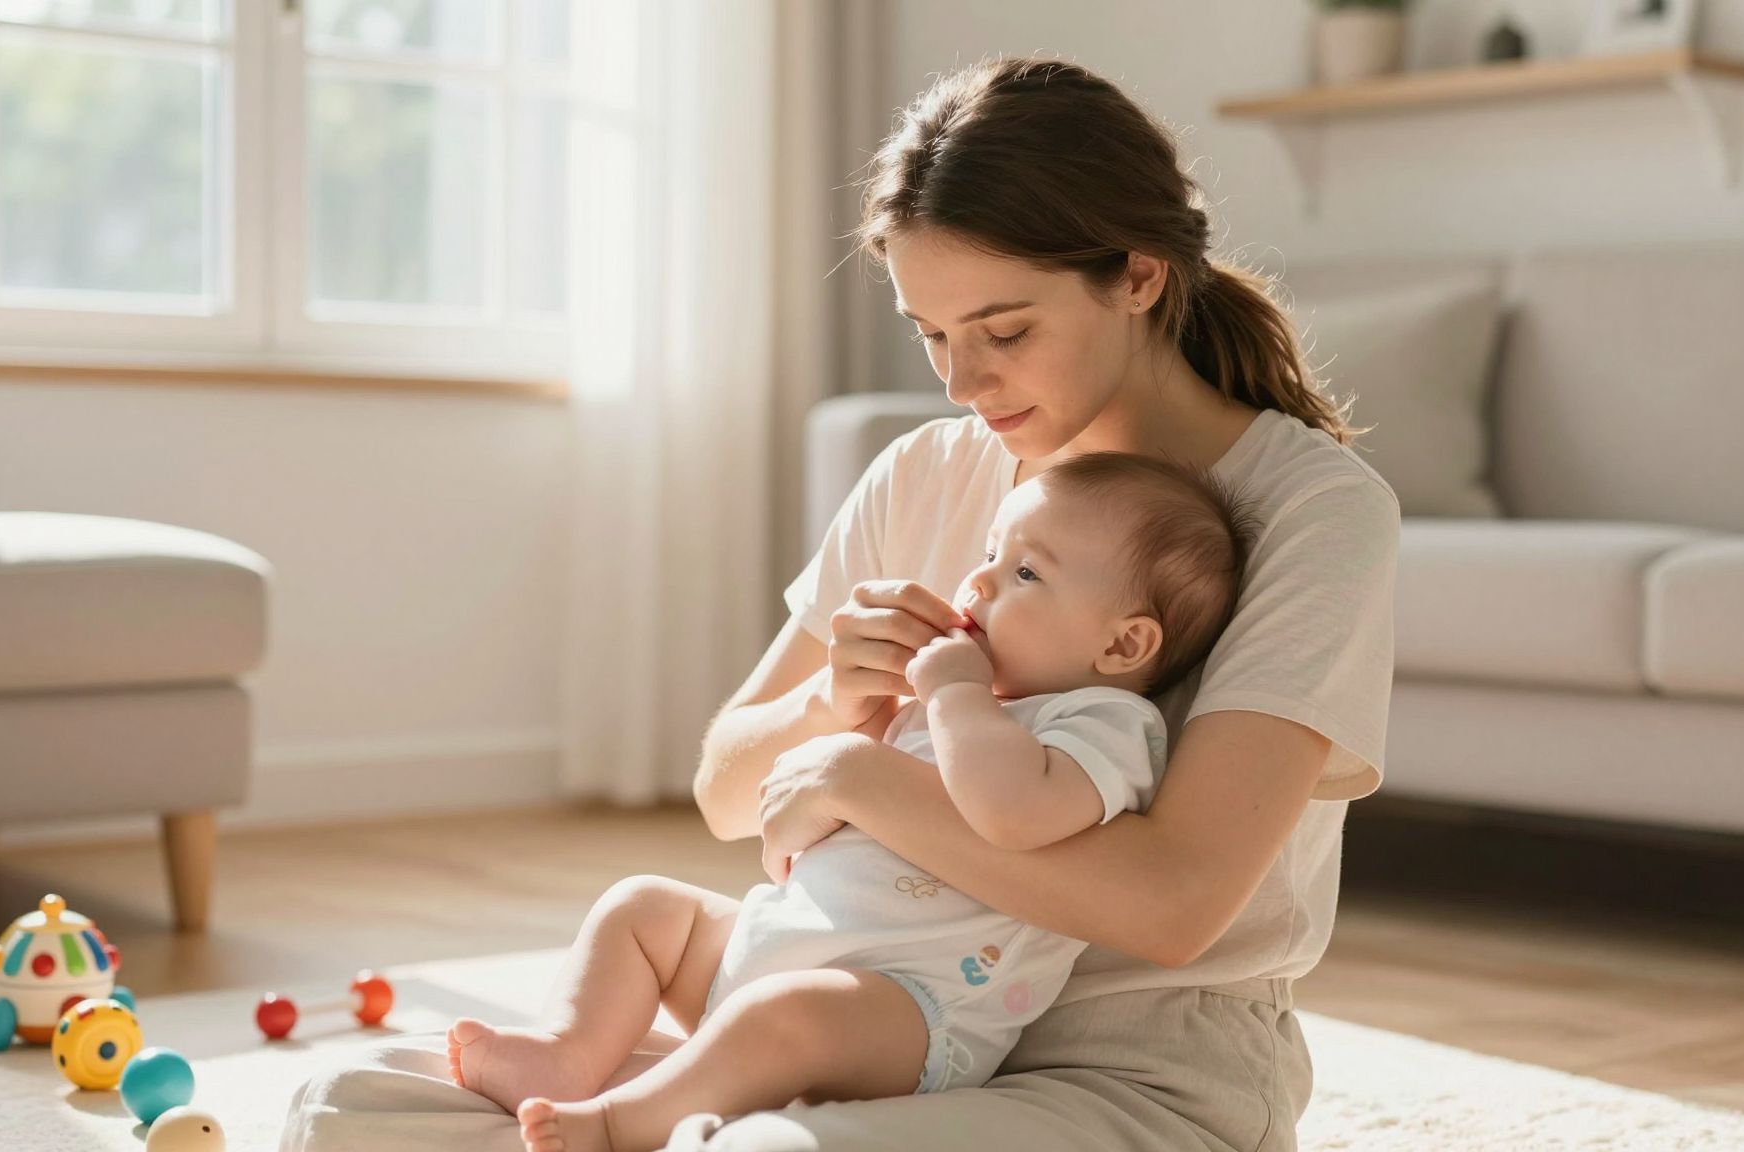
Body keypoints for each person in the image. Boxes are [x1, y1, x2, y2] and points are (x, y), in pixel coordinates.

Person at [281, 54, 1399, 1152]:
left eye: (1004, 332)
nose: (962, 385)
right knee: (346, 1105)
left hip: (1133, 1068)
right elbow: (726, 788)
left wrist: (858, 779)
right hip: (861, 1016)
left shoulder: (1308, 510)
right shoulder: (926, 471)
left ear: (1139, 276)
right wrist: (830, 700)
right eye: (932, 334)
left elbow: (1172, 907)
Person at [442, 454, 1250, 1152]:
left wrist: (958, 698)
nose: (980, 580)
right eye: (992, 552)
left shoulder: (1103, 723)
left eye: (1026, 573)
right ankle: (566, 1050)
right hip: (776, 950)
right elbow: (773, 797)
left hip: (911, 1013)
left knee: (785, 1017)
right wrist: (851, 712)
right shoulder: (944, 702)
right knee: (644, 907)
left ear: (1122, 644)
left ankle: (620, 1126)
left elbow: (1013, 814)